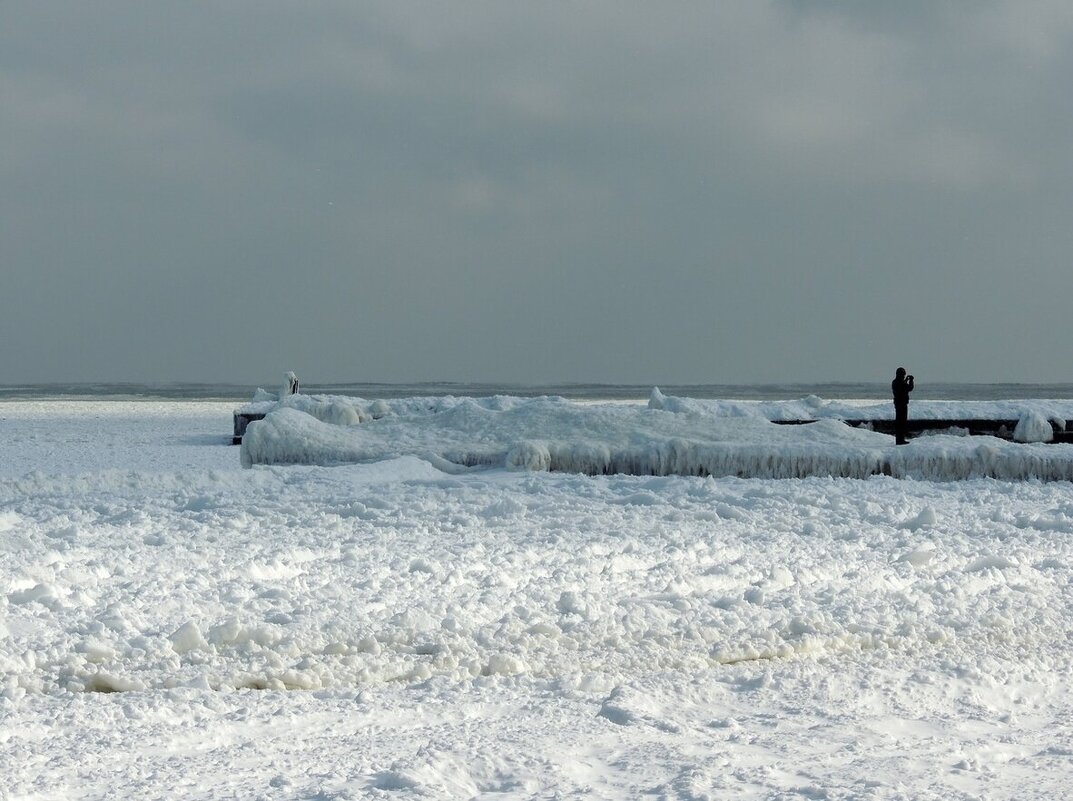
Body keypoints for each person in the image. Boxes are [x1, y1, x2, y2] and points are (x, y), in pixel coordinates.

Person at [892, 367, 914, 445]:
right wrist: (911, 380)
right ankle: (901, 440)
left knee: (899, 423)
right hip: (902, 404)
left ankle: (899, 439)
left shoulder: (894, 382)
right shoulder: (901, 383)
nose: (904, 376)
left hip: (898, 404)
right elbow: (909, 388)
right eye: (903, 375)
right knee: (902, 422)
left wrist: (906, 381)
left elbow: (902, 387)